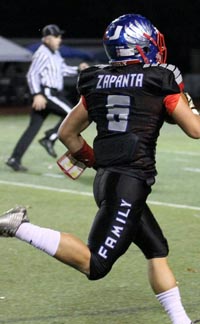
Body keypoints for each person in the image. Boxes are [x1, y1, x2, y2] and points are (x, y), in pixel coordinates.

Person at [0, 14, 200, 324]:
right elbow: (195, 129)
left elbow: (67, 133)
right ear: (140, 46)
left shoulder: (97, 80)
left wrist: (92, 158)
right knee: (95, 265)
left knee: (156, 249)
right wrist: (186, 100)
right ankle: (19, 226)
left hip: (107, 179)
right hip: (129, 183)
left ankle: (181, 321)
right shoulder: (159, 79)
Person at [6, 24, 88, 171]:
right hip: (47, 93)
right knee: (72, 115)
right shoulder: (42, 53)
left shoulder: (55, 53)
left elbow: (62, 70)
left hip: (51, 93)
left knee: (32, 128)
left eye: (60, 36)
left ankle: (14, 158)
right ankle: (49, 138)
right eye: (57, 37)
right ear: (47, 38)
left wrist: (77, 69)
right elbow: (32, 74)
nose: (59, 40)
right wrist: (37, 94)